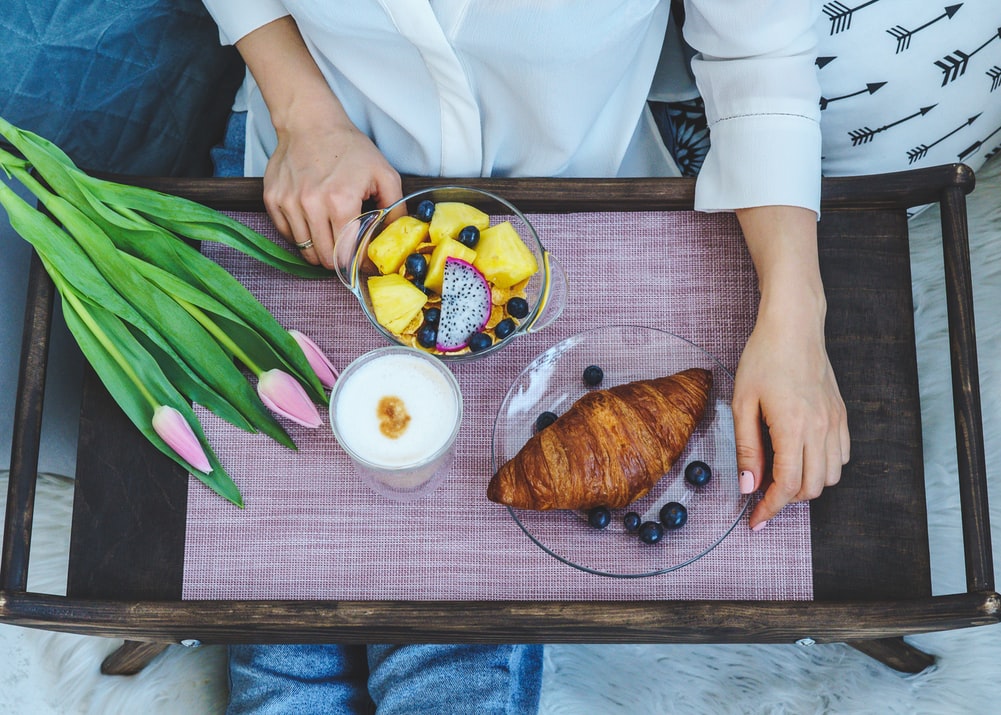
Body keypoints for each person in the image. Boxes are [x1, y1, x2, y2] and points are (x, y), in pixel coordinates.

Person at [200, 1, 1001, 712]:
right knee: (281, 637)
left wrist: (794, 318)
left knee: (448, 648)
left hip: (584, 217)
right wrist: (302, 112)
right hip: (320, 202)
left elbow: (755, 52)